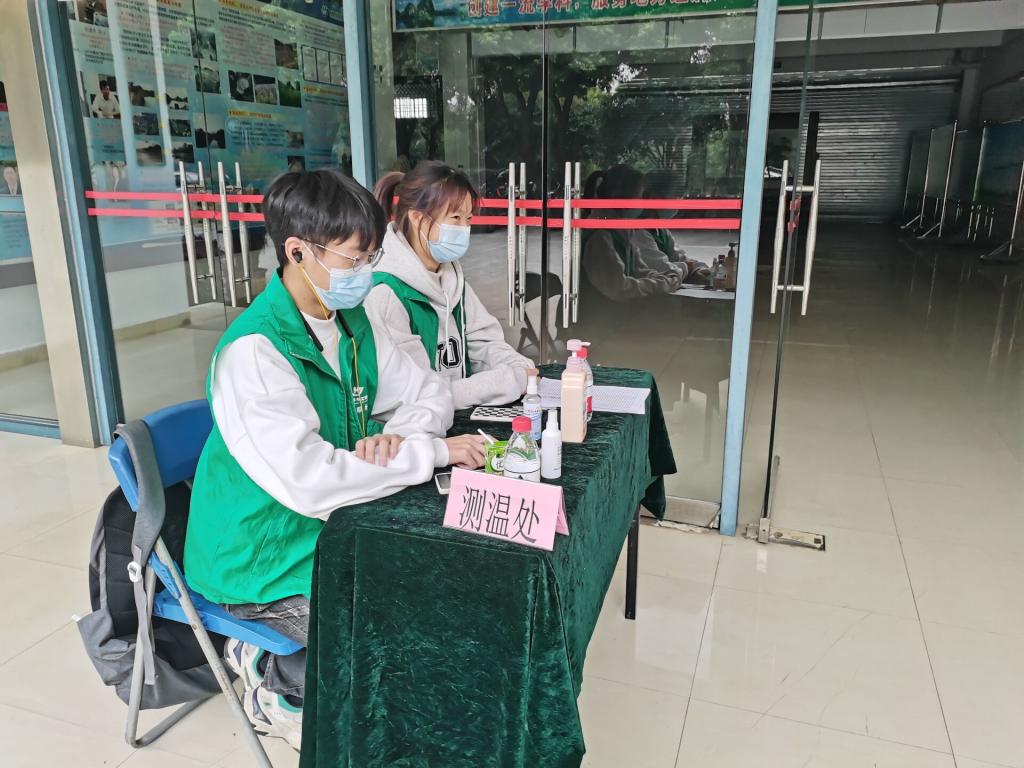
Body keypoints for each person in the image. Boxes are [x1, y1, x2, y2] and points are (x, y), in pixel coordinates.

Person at [183, 169, 486, 750]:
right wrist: (425, 452)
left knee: (434, 595)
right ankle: (274, 678)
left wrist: (398, 437)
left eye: (372, 256)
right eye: (354, 258)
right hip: (259, 557)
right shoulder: (255, 352)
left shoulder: (350, 319)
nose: (366, 273)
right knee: (389, 635)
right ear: (298, 251)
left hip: (334, 523)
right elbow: (312, 482)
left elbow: (427, 393)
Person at [365, 161, 536, 410]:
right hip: (416, 426)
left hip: (452, 418)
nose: (464, 229)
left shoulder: (451, 278)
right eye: (455, 218)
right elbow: (419, 394)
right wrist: (509, 381)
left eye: (468, 219)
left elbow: (484, 342)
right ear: (417, 218)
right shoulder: (387, 293)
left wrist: (518, 366)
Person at [580, 164, 683, 302]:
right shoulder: (599, 236)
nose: (643, 202)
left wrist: (664, 279)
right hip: (593, 313)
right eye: (639, 196)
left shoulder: (621, 231)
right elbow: (618, 288)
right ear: (622, 197)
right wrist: (661, 284)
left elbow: (639, 270)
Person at [643, 169, 712, 284]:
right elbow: (663, 268)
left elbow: (679, 258)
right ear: (655, 198)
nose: (679, 201)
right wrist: (688, 268)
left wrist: (699, 269)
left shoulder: (661, 231)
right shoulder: (638, 232)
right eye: (675, 195)